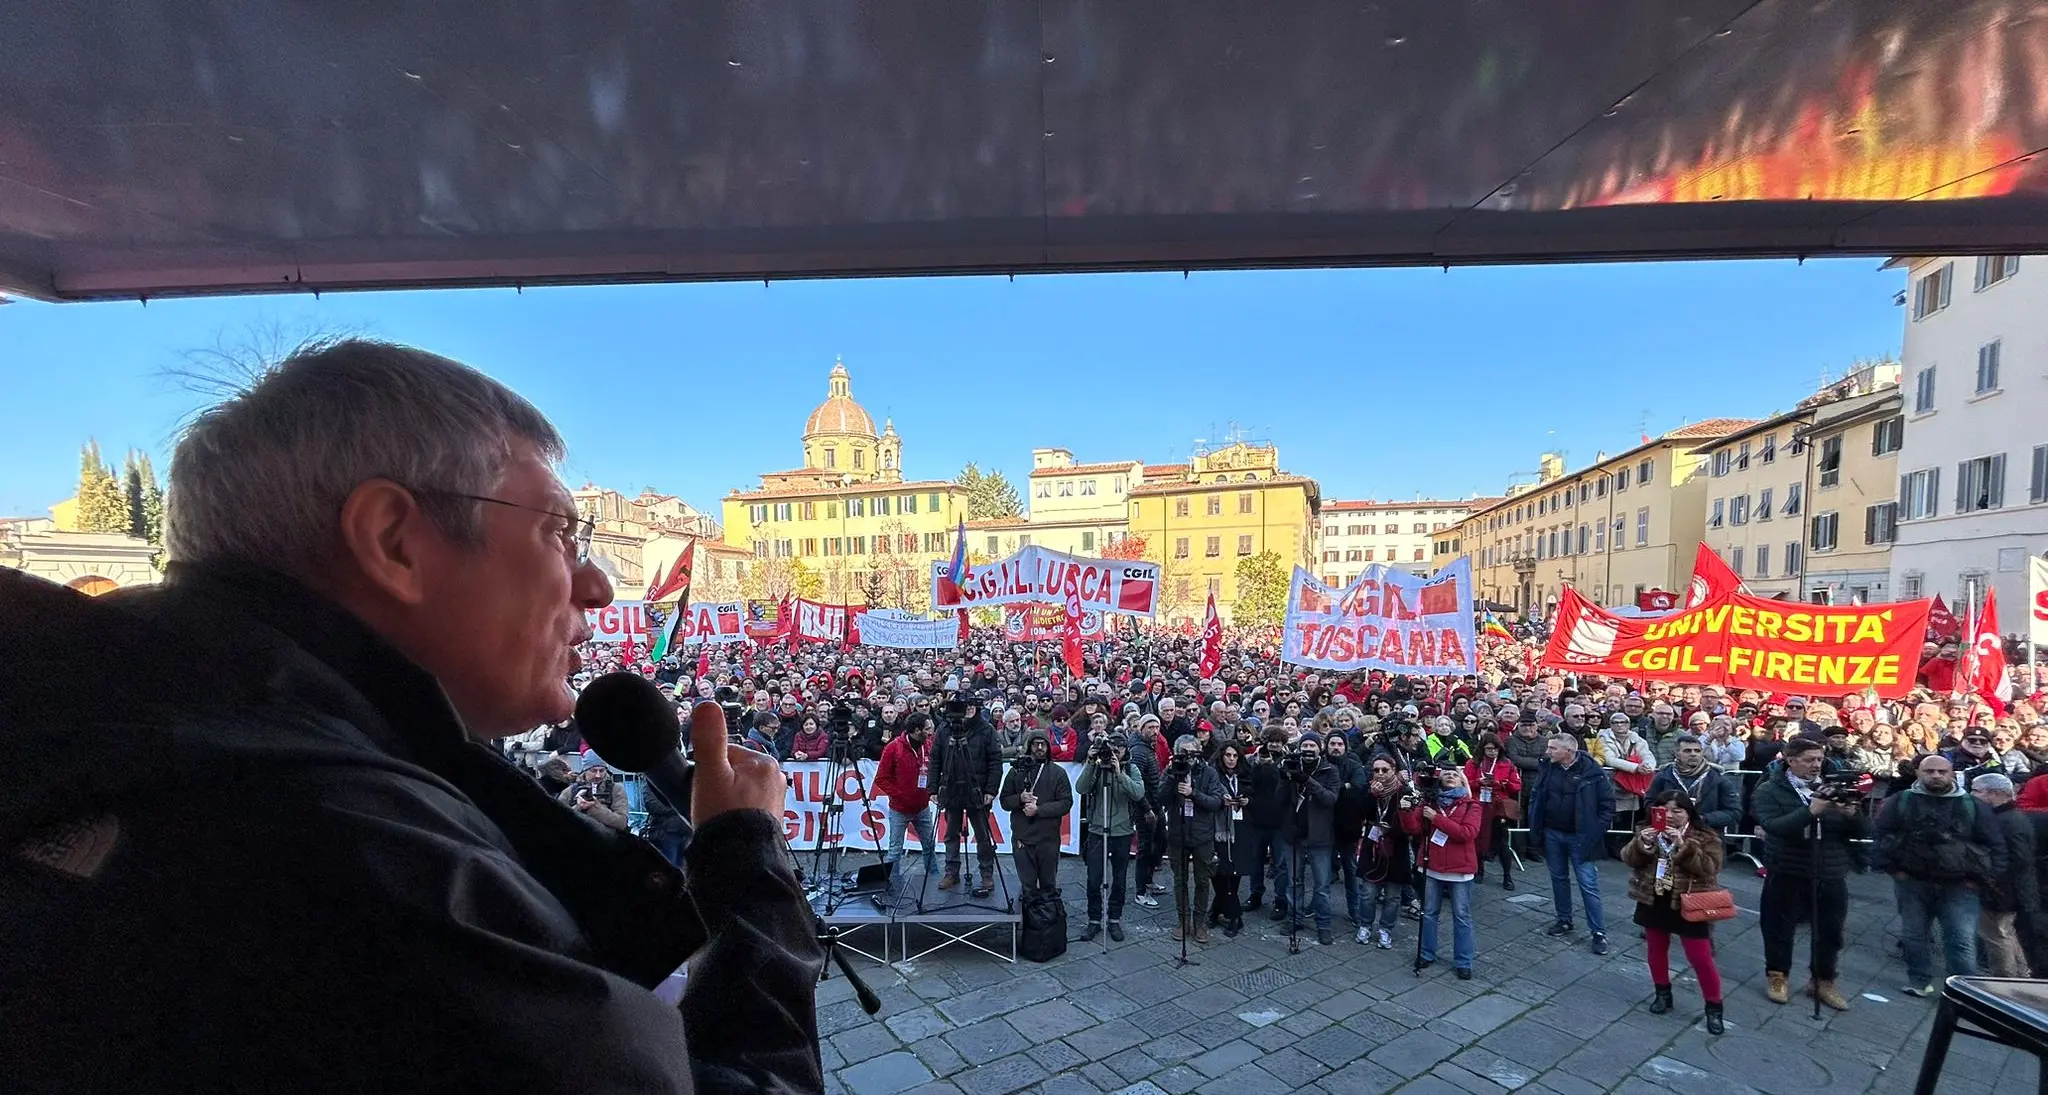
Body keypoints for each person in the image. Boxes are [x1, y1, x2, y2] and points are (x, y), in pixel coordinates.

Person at [0, 339, 821, 1092]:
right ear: (394, 541)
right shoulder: (361, 865)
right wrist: (751, 874)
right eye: (559, 532)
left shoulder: (137, 735)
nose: (599, 585)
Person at [1873, 753, 2008, 997]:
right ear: (1919, 773)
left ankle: (1964, 992)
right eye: (1930, 771)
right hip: (1912, 881)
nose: (1936, 775)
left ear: (1951, 773)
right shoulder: (1901, 801)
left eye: (1941, 771)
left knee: (1961, 940)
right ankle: (1919, 981)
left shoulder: (1972, 805)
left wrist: (1982, 880)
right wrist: (1894, 870)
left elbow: (1995, 845)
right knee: (1914, 936)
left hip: (1960, 885)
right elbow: (1881, 834)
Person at [1749, 736, 1864, 1009]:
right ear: (1790, 761)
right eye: (1809, 760)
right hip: (1788, 866)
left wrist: (1852, 815)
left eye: (1820, 760)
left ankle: (1823, 980)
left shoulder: (1835, 787)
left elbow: (1864, 831)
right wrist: (1810, 811)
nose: (1816, 765)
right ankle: (1778, 975)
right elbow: (1774, 826)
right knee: (1779, 926)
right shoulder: (1769, 790)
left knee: (1831, 930)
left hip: (1831, 868)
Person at [1619, 791, 1727, 1034]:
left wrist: (1683, 845)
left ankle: (1714, 1007)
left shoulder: (1706, 836)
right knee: (1656, 949)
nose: (1669, 816)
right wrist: (1642, 844)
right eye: (1663, 810)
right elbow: (1627, 858)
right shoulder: (1648, 829)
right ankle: (1662, 993)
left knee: (1700, 956)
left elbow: (1710, 869)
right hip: (1655, 897)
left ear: (1689, 813)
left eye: (1677, 811)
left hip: (1690, 901)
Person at [1529, 733, 1616, 955]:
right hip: (1552, 832)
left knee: (1588, 884)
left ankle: (1598, 932)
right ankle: (1564, 919)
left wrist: (1596, 830)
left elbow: (1607, 805)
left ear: (1569, 751)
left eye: (1553, 748)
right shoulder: (1548, 767)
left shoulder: (1592, 772)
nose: (1548, 752)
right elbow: (1537, 794)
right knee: (1558, 879)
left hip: (1581, 836)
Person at [1401, 766, 1483, 978]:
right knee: (1429, 913)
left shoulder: (1471, 805)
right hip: (1433, 866)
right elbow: (1413, 829)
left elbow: (1467, 833)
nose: (1450, 776)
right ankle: (1427, 953)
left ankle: (1464, 961)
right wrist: (1405, 810)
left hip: (1460, 870)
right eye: (1446, 774)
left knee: (1462, 915)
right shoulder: (1430, 802)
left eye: (1455, 774)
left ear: (1462, 781)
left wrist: (1437, 819)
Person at [1074, 731, 1148, 942]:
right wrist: (1090, 762)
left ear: (1125, 751)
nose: (1113, 754)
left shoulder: (1130, 768)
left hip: (1122, 831)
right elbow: (1081, 788)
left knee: (1119, 879)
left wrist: (1119, 773)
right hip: (1098, 830)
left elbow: (1138, 793)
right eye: (1110, 750)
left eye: (1118, 750)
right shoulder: (1097, 766)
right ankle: (1094, 920)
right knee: (1093, 879)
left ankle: (1114, 919)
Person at [929, 700, 1003, 897]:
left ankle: (987, 873)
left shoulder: (986, 729)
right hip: (952, 788)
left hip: (977, 789)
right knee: (950, 833)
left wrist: (991, 790)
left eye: (971, 706)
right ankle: (951, 872)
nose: (968, 709)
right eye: (964, 706)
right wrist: (933, 788)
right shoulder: (945, 729)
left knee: (983, 835)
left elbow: (996, 761)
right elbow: (935, 758)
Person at [1969, 773, 2037, 977]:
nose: (1972, 795)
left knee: (1996, 935)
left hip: (2003, 890)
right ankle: (2021, 975)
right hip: (2009, 888)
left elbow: (2018, 859)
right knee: (2005, 933)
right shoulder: (2009, 817)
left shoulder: (2006, 821)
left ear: (1995, 794)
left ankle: (2004, 979)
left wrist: (1991, 881)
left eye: (1977, 791)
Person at [1163, 734, 1225, 943]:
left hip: (1202, 835)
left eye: (1192, 753)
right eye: (1184, 753)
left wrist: (1193, 793)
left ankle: (1200, 922)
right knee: (1179, 880)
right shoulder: (1171, 771)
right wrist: (1172, 777)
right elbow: (1160, 798)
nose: (1188, 757)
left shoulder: (1209, 772)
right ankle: (1183, 920)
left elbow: (1216, 802)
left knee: (1202, 880)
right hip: (1178, 833)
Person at [1283, 732, 1344, 946]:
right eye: (1305, 745)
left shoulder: (1330, 770)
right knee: (1293, 881)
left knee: (1322, 885)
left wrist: (1308, 781)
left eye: (1312, 745)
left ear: (1320, 749)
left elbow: (1330, 799)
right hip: (1294, 833)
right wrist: (1285, 776)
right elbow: (1278, 798)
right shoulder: (1291, 765)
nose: (1308, 749)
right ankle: (1295, 918)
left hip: (1320, 836)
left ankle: (1323, 924)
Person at [997, 730, 1073, 897]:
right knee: (1028, 887)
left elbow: (1066, 803)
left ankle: (1048, 921)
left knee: (1048, 886)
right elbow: (1004, 801)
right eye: (1035, 744)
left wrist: (1039, 810)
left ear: (1048, 746)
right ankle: (1028, 921)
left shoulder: (1058, 773)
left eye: (1043, 744)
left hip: (1048, 839)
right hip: (1023, 839)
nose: (1039, 748)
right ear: (1029, 746)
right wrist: (1020, 798)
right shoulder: (1016, 771)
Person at [1357, 755, 1414, 948]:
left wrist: (1391, 828)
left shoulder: (1404, 791)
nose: (1380, 774)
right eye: (1376, 770)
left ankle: (1385, 929)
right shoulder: (1370, 789)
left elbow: (1410, 824)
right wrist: (1371, 796)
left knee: (1393, 895)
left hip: (1396, 846)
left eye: (1384, 770)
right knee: (1368, 892)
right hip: (1372, 844)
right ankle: (1365, 925)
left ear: (1393, 770)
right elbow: (1360, 813)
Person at [873, 712, 939, 875]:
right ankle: (891, 883)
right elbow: (881, 779)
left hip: (922, 807)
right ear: (917, 730)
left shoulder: (928, 745)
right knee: (895, 850)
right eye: (927, 729)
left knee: (929, 846)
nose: (930, 732)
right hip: (899, 809)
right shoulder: (893, 748)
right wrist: (900, 795)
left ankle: (933, 879)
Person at [1465, 734, 1522, 890]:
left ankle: (1507, 876)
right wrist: (1478, 782)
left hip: (1498, 807)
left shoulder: (1507, 764)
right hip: (1478, 805)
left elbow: (1516, 786)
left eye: (1495, 749)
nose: (1492, 752)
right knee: (1477, 839)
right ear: (1482, 748)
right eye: (1489, 749)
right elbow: (1465, 784)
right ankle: (1479, 869)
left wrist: (1500, 784)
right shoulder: (1473, 763)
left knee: (1502, 842)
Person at [1211, 742, 1250, 936]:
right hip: (1219, 828)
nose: (1231, 759)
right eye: (1228, 755)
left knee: (1234, 873)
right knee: (1219, 872)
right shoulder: (1214, 774)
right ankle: (1235, 915)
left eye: (1235, 756)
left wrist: (1247, 800)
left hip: (1240, 829)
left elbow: (1257, 795)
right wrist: (1220, 800)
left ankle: (1217, 910)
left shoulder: (1245, 775)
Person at [561, 757, 632, 831]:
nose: (598, 775)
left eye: (601, 771)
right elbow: (558, 819)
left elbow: (621, 823)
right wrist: (578, 807)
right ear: (585, 771)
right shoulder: (571, 791)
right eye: (593, 771)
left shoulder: (616, 789)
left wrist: (595, 808)